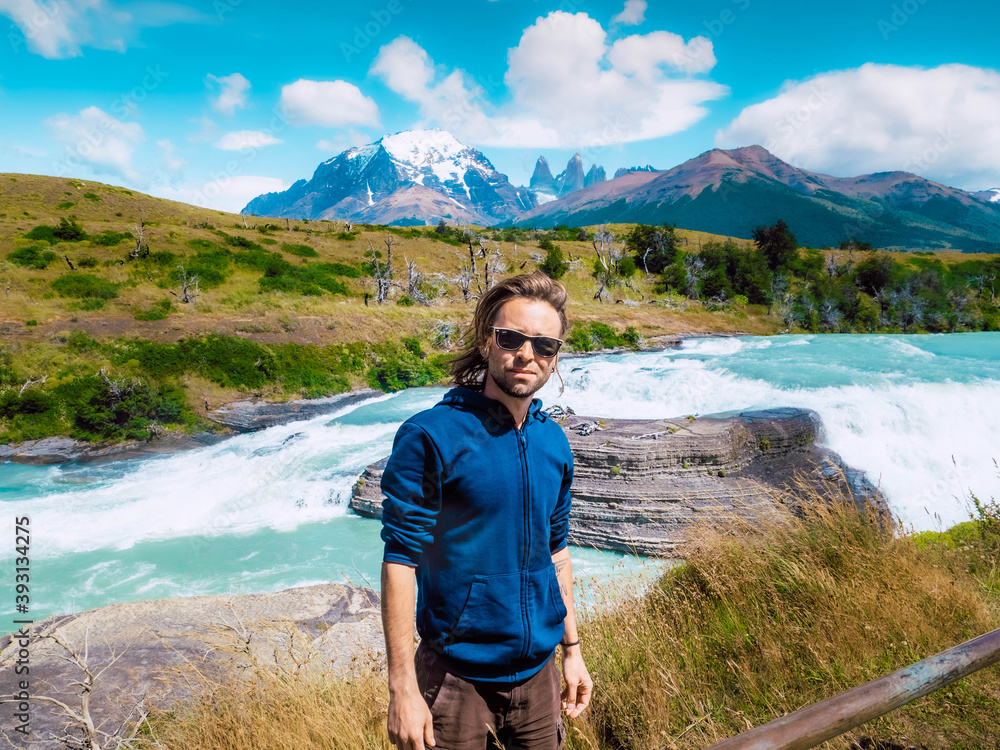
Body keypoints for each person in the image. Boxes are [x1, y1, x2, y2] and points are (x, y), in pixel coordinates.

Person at [380, 271, 592, 750]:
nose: (526, 355)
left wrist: (572, 651)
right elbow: (400, 560)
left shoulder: (553, 442)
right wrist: (402, 688)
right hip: (455, 682)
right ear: (485, 341)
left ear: (556, 357)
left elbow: (556, 552)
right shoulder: (431, 435)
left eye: (544, 345)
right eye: (511, 337)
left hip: (539, 678)